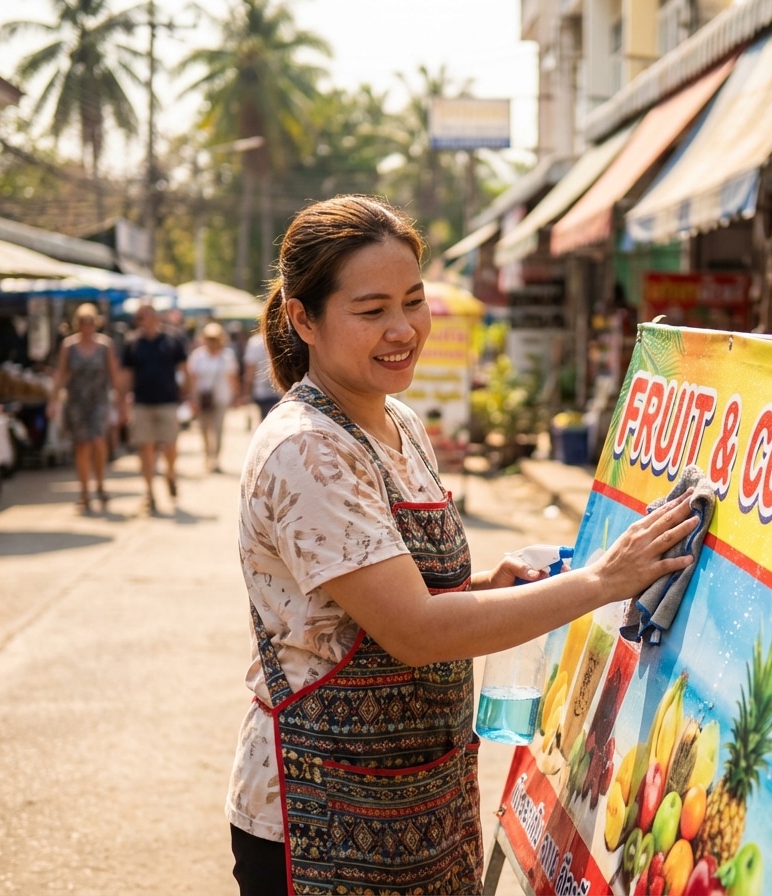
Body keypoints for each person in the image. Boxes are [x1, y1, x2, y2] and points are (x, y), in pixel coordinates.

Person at [226, 194, 697, 895]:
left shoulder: (401, 425)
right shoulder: (307, 451)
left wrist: (486, 589)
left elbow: (379, 601)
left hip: (422, 799)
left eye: (413, 302)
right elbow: (413, 630)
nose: (403, 329)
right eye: (372, 310)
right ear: (303, 319)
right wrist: (601, 582)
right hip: (319, 814)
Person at [47, 302, 126, 512]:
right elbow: (61, 374)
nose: (87, 326)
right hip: (76, 401)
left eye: (90, 321)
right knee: (82, 445)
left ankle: (100, 483)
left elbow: (115, 375)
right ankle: (84, 491)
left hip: (99, 400)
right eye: (83, 322)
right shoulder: (69, 346)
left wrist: (121, 402)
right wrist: (53, 401)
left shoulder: (105, 345)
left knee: (99, 442)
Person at [121, 303, 188, 515]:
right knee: (146, 447)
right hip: (142, 402)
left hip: (167, 400)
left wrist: (189, 394)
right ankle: (149, 492)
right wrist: (123, 400)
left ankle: (170, 474)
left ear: (157, 318)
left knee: (169, 444)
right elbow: (127, 373)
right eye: (141, 317)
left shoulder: (171, 340)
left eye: (149, 316)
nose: (146, 320)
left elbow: (184, 369)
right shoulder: (132, 343)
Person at [187, 320, 240, 473]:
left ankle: (215, 458)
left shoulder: (227, 356)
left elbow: (233, 377)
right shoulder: (198, 356)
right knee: (203, 428)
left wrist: (236, 396)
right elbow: (192, 378)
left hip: (221, 397)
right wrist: (192, 398)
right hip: (202, 398)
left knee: (217, 429)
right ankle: (206, 454)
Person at [241, 328, 282, 420]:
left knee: (266, 420)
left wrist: (247, 392)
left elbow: (250, 370)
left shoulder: (254, 342)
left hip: (261, 391)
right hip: (281, 390)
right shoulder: (281, 338)